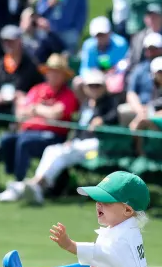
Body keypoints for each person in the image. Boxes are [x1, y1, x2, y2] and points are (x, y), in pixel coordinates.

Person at [22, 68, 121, 205]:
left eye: (97, 86)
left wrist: (102, 120)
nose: (94, 89)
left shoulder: (110, 102)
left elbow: (114, 117)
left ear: (103, 87)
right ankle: (39, 185)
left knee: (62, 154)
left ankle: (37, 184)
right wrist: (71, 139)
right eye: (91, 86)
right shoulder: (86, 104)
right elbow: (78, 126)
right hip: (80, 143)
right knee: (53, 151)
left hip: (97, 146)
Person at [0, 55, 79, 202]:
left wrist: (36, 109)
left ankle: (18, 185)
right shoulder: (37, 89)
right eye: (51, 71)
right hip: (28, 132)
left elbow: (56, 114)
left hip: (53, 136)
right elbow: (21, 112)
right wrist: (42, 111)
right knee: (7, 139)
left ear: (64, 76)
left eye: (57, 72)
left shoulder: (68, 94)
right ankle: (15, 178)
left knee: (24, 142)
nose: (53, 74)